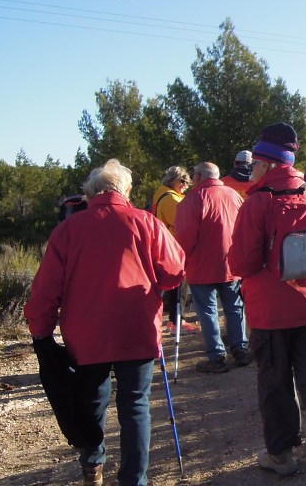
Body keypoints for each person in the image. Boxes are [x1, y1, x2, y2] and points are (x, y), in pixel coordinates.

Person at [25, 159, 186, 486]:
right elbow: (174, 273)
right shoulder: (146, 222)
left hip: (87, 336)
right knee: (136, 405)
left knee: (91, 402)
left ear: (89, 193)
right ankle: (133, 480)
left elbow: (46, 289)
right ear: (124, 190)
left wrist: (40, 332)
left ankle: (93, 467)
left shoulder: (68, 230)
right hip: (137, 328)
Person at [227, 123, 306, 486]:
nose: (251, 169)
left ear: (267, 163)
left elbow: (242, 263)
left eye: (255, 163)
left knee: (275, 383)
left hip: (271, 312)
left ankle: (281, 456)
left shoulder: (257, 202)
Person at [174, 162, 249, 374]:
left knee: (207, 311)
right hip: (231, 262)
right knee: (234, 307)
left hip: (202, 265)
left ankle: (217, 357)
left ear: (198, 177)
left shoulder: (192, 200)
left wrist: (181, 261)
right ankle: (241, 349)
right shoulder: (234, 196)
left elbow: (184, 238)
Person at [153, 166, 199, 333]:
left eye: (187, 181)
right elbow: (183, 222)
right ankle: (177, 321)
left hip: (171, 246)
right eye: (182, 181)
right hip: (175, 247)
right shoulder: (170, 199)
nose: (186, 184)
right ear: (172, 180)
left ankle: (177, 320)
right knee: (179, 286)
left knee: (176, 286)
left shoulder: (165, 196)